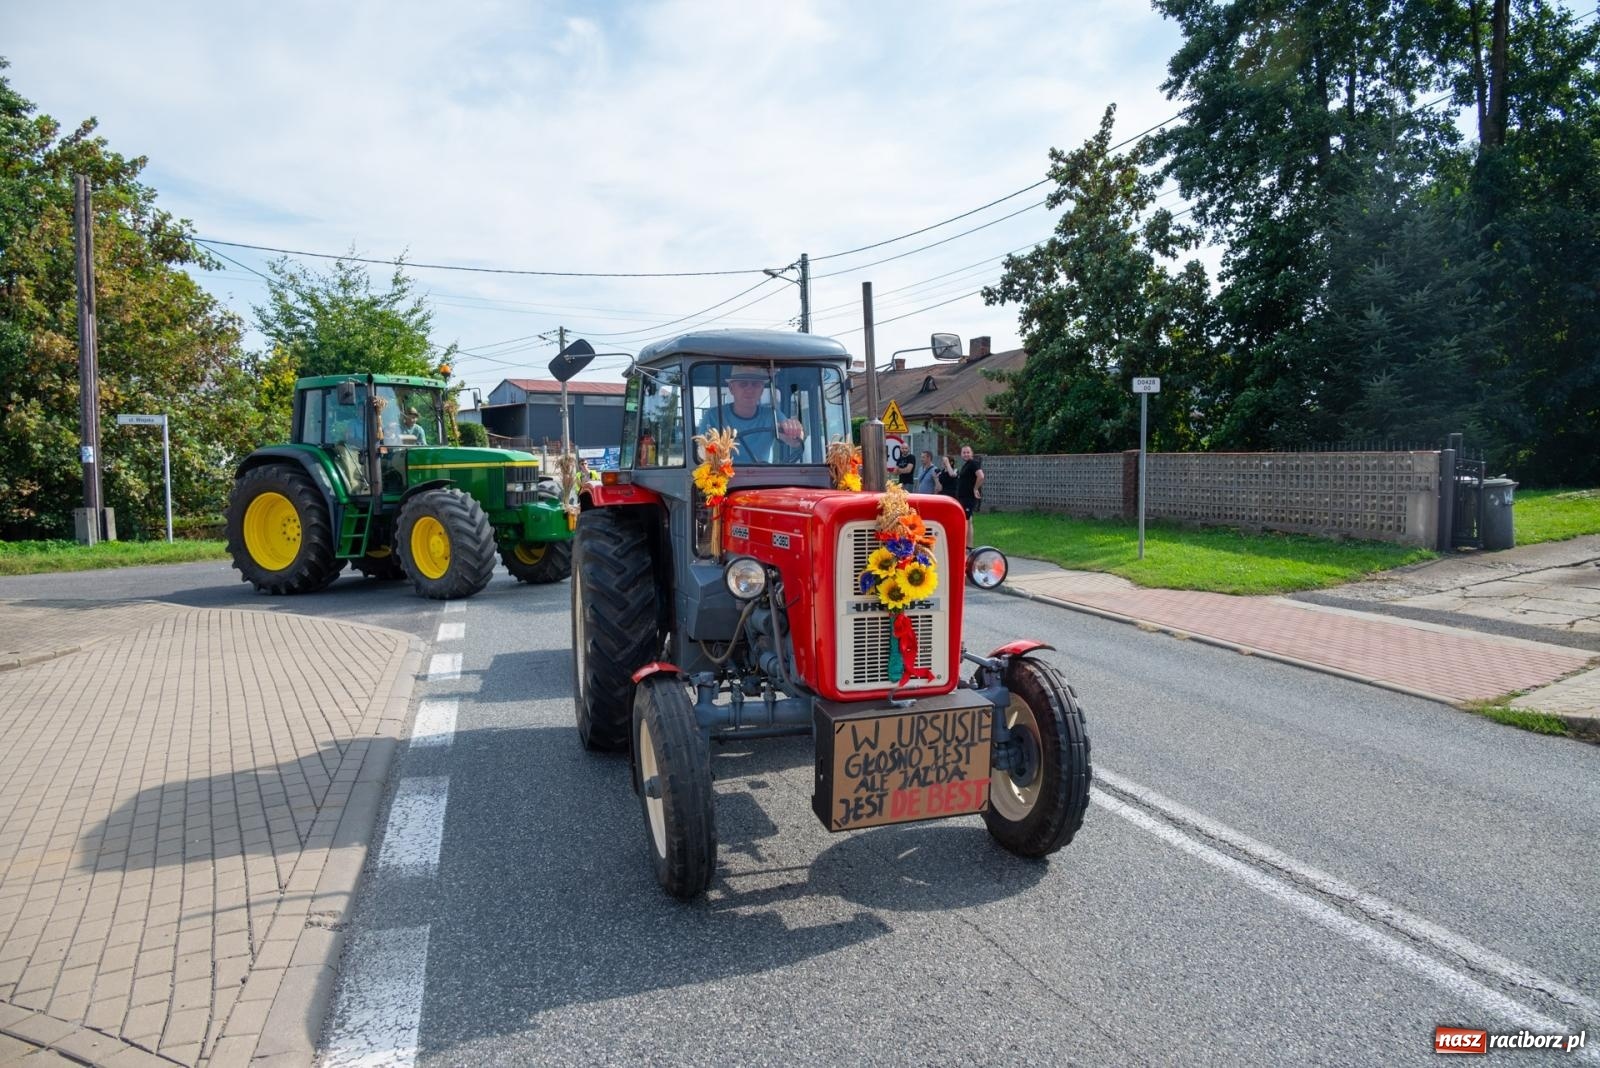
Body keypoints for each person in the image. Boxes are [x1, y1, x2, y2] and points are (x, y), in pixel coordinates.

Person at [697, 364, 805, 463]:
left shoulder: (772, 415)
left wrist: (794, 431)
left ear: (762, 389)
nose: (749, 389)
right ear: (731, 388)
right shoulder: (713, 416)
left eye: (755, 384)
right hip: (724, 480)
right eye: (743, 384)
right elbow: (702, 455)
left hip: (762, 477)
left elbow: (795, 440)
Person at [957, 444, 984, 543]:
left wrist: (975, 489)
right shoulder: (966, 464)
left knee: (966, 521)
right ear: (961, 454)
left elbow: (981, 476)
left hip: (968, 497)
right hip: (963, 497)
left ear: (971, 453)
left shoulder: (973, 463)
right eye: (964, 452)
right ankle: (968, 546)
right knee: (968, 521)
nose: (966, 454)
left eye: (968, 452)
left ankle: (965, 545)